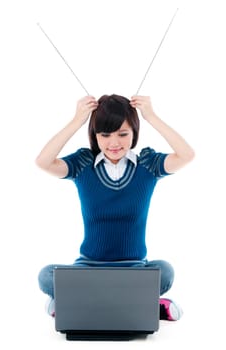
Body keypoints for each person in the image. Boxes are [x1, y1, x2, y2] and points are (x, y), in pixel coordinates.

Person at [36, 94, 195, 320]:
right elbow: (43, 162)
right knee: (46, 276)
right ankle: (146, 304)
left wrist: (151, 116)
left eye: (123, 134)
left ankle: (73, 302)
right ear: (95, 135)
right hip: (89, 268)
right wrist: (76, 121)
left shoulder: (147, 165)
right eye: (105, 134)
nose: (114, 143)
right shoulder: (83, 164)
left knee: (165, 271)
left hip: (134, 270)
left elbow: (187, 155)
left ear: (134, 133)